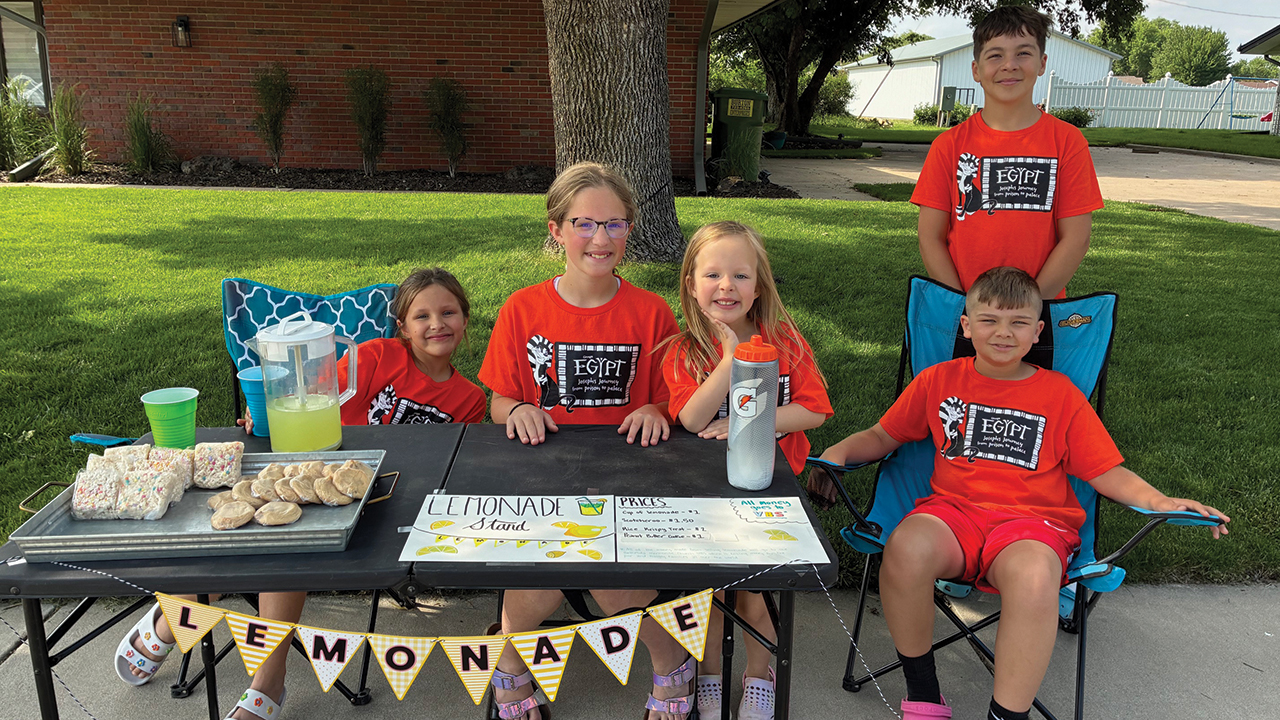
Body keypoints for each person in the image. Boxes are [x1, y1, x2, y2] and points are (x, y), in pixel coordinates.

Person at [817, 267, 1229, 720]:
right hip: (952, 516)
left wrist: (1160, 502)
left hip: (1033, 526)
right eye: (989, 320)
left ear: (1037, 332)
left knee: (1035, 577)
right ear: (966, 326)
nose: (1003, 333)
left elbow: (1106, 472)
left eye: (1018, 322)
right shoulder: (938, 381)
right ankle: (924, 693)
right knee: (906, 547)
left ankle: (1007, 715)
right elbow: (883, 435)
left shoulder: (1060, 395)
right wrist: (837, 454)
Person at [118, 268, 484, 720]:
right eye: (422, 315)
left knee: (283, 550)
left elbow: (442, 467)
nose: (436, 324)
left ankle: (210, 642)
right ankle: (234, 657)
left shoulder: (470, 398)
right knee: (273, 541)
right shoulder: (375, 355)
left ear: (465, 319)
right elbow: (310, 397)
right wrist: (264, 414)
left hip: (387, 502)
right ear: (403, 328)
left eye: (448, 313)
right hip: (318, 472)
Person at [478, 162, 688, 720]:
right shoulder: (523, 308)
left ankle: (670, 660)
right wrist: (518, 408)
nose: (601, 238)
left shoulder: (651, 312)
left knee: (613, 579)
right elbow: (498, 400)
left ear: (630, 229)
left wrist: (656, 409)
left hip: (630, 475)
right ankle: (510, 663)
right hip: (542, 474)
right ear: (556, 229)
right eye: (585, 224)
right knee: (541, 568)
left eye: (615, 224)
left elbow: (675, 400)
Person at [660, 221, 832, 719]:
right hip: (707, 491)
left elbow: (815, 410)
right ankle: (710, 673)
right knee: (708, 592)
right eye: (712, 274)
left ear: (759, 287)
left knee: (753, 590)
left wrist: (748, 421)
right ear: (691, 284)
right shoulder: (684, 349)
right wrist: (730, 358)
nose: (726, 286)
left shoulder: (785, 340)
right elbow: (692, 419)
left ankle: (759, 673)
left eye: (740, 275)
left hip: (772, 490)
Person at [911, 6, 1103, 302]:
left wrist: (1028, 309)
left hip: (1038, 314)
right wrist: (965, 308)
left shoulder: (1067, 142)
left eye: (1023, 53)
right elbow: (930, 237)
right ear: (976, 70)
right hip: (966, 314)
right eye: (995, 55)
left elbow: (1076, 238)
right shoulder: (948, 146)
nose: (1009, 65)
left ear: (1042, 63)